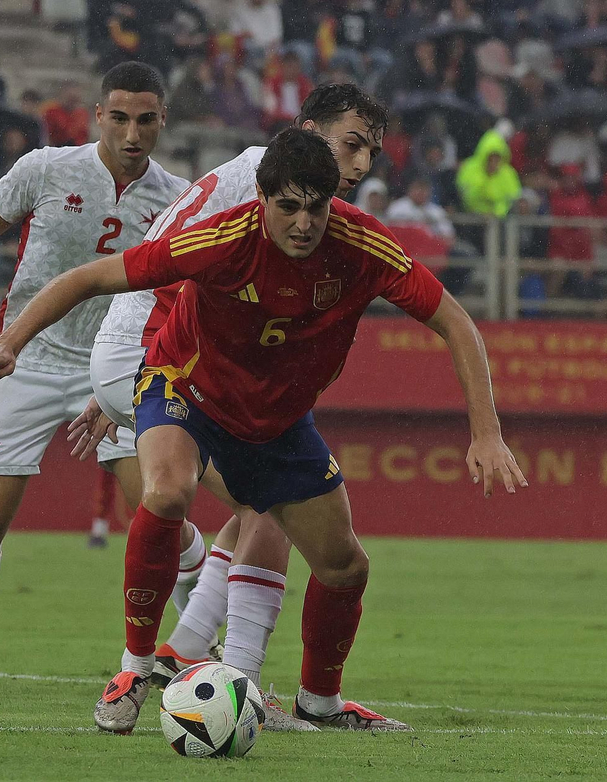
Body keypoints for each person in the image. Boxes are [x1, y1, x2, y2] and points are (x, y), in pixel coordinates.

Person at [0, 127, 523, 732]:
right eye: (288, 206)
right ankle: (134, 668)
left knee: (346, 568)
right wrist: (8, 342)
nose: (304, 223)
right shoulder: (224, 238)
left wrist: (487, 433)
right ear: (261, 200)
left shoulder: (364, 245)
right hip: (185, 388)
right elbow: (88, 279)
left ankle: (321, 704)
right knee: (166, 492)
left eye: (316, 206)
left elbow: (455, 322)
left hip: (274, 421)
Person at [79, 83, 386, 731]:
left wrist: (116, 377)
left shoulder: (264, 174)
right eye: (350, 145)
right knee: (267, 477)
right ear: (306, 130)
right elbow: (191, 274)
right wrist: (144, 369)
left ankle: (186, 646)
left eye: (368, 155)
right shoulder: (278, 186)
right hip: (153, 338)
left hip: (138, 340)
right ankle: (233, 680)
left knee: (260, 487)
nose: (357, 167)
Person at [0, 62, 191, 687]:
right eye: (119, 118)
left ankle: (196, 653)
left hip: (120, 366)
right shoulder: (45, 168)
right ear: (98, 117)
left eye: (145, 120)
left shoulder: (179, 200)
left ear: (162, 121)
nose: (132, 132)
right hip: (29, 359)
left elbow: (187, 296)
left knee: (161, 507)